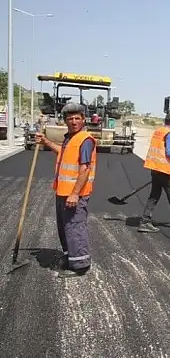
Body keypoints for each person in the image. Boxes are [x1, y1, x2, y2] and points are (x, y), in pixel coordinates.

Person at [35, 103, 96, 278]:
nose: (74, 121)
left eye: (77, 118)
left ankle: (80, 265)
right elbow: (62, 154)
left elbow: (85, 168)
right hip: (63, 192)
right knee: (64, 227)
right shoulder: (70, 138)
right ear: (65, 121)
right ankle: (70, 256)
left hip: (74, 194)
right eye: (70, 118)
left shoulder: (84, 140)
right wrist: (46, 141)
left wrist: (75, 193)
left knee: (75, 227)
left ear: (83, 120)